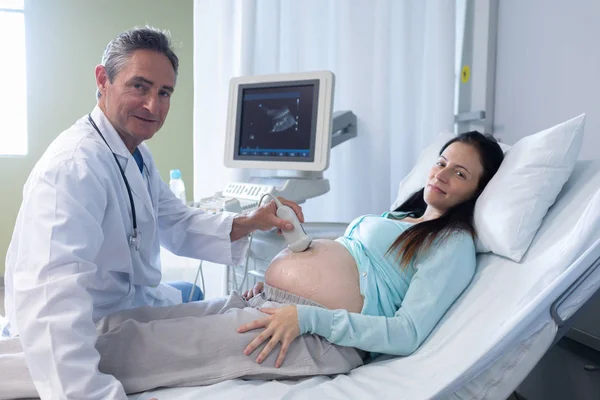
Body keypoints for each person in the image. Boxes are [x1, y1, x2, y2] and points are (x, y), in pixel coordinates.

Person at [59, 131, 504, 394]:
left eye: (459, 173)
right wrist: (281, 286)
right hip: (275, 309)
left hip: (315, 336)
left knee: (131, 349)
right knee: (121, 323)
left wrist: (306, 316)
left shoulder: (453, 244)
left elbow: (406, 333)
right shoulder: (400, 218)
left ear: (478, 191)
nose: (441, 174)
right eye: (442, 162)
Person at [0, 26, 304, 399]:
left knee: (197, 294)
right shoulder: (73, 168)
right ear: (102, 79)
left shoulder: (135, 154)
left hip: (125, 303)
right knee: (218, 318)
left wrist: (249, 223)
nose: (153, 106)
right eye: (139, 87)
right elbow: (49, 304)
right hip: (91, 322)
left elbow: (175, 219)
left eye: (164, 93)